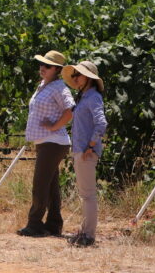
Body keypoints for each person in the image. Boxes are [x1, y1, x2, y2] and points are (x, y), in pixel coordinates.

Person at [17, 50, 75, 238]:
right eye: (41, 64)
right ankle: (53, 225)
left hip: (54, 142)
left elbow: (70, 110)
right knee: (50, 186)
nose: (42, 68)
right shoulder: (43, 85)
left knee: (40, 184)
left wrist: (55, 126)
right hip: (46, 141)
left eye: (47, 66)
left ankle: (35, 224)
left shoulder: (59, 87)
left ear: (57, 70)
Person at [62, 60, 107, 247]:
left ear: (87, 77)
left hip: (86, 151)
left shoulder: (93, 97)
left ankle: (88, 235)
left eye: (77, 75)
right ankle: (85, 231)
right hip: (81, 150)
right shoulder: (85, 97)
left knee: (88, 195)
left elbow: (101, 123)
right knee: (85, 194)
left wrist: (91, 146)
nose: (74, 78)